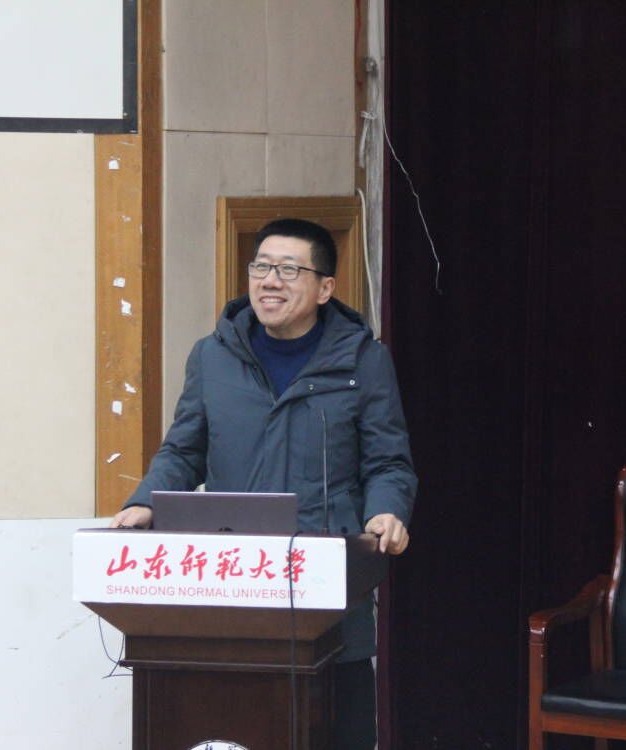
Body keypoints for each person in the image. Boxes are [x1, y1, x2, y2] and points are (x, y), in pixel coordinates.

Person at [110, 217, 417, 749]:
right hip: (235, 581)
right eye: (261, 267)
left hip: (327, 577)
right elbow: (183, 451)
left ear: (325, 288)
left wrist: (387, 511)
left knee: (335, 730)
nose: (270, 281)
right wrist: (144, 504)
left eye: (289, 270)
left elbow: (388, 462)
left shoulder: (362, 361)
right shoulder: (212, 356)